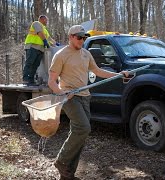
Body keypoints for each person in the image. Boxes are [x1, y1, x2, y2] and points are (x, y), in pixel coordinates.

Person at [48, 25, 129, 180]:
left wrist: (119, 74)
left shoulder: (86, 54)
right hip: (70, 97)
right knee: (83, 128)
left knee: (80, 134)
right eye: (79, 37)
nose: (82, 40)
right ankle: (61, 160)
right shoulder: (61, 55)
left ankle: (68, 174)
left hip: (85, 96)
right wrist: (62, 92)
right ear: (70, 37)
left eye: (84, 37)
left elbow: (98, 71)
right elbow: (51, 81)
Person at [23, 15, 59, 85]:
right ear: (42, 19)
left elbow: (49, 39)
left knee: (35, 65)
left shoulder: (44, 29)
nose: (47, 22)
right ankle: (26, 79)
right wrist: (45, 41)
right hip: (32, 46)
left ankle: (31, 80)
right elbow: (40, 33)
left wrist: (56, 44)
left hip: (40, 49)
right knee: (30, 63)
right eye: (46, 20)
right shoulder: (36, 23)